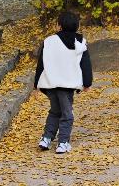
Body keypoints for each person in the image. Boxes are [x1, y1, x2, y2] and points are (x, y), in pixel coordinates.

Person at [33, 9, 93, 153]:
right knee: (67, 114)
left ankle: (46, 138)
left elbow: (41, 64)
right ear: (77, 27)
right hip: (67, 85)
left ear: (59, 26)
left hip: (51, 83)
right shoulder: (80, 43)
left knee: (55, 111)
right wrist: (87, 83)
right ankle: (63, 142)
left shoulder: (49, 41)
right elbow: (85, 64)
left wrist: (36, 85)